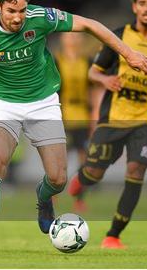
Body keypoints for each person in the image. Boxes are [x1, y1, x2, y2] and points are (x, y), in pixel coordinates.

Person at [0, 0, 147, 255]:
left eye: (22, 10)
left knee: (58, 178)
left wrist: (129, 54)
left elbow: (89, 24)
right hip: (4, 103)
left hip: (43, 103)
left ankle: (43, 197)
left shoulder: (42, 18)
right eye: (11, 11)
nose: (17, 17)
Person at [67, 0, 147, 249]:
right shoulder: (117, 36)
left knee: (136, 169)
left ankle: (113, 236)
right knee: (94, 173)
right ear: (134, 7)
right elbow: (93, 72)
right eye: (142, 3)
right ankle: (80, 181)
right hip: (113, 117)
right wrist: (105, 81)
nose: (146, 8)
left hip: (146, 118)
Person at [55, 33, 91, 212]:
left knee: (84, 162)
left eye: (76, 37)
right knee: (60, 161)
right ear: (63, 39)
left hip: (83, 117)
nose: (73, 40)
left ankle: (79, 198)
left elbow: (93, 91)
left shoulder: (88, 62)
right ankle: (52, 197)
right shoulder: (56, 61)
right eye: (69, 37)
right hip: (63, 117)